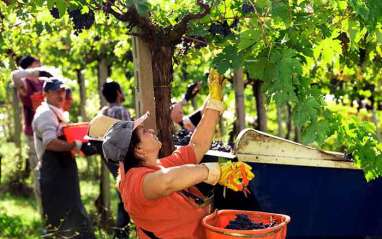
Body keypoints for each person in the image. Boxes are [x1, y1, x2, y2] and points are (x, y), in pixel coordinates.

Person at [102, 70, 255, 239]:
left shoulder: (160, 166)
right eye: (144, 131)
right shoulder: (134, 183)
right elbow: (166, 181)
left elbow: (197, 145)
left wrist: (214, 103)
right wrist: (214, 171)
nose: (151, 130)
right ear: (138, 150)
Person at [32, 78, 97, 239]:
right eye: (56, 92)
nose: (61, 95)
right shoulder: (46, 114)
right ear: (45, 94)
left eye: (62, 91)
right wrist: (77, 145)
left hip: (63, 171)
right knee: (62, 218)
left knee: (71, 215)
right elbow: (50, 143)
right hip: (54, 174)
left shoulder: (55, 112)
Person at [11, 55, 52, 215]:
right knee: (39, 174)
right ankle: (45, 216)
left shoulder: (43, 83)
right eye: (36, 65)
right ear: (28, 68)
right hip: (33, 135)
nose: (40, 67)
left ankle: (56, 214)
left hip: (50, 131)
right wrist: (33, 71)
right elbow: (14, 76)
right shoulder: (24, 85)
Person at [99, 81, 132, 238]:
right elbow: (129, 136)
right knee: (129, 198)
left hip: (110, 161)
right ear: (119, 93)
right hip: (124, 159)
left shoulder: (103, 112)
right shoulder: (122, 112)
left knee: (122, 196)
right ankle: (122, 234)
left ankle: (121, 233)